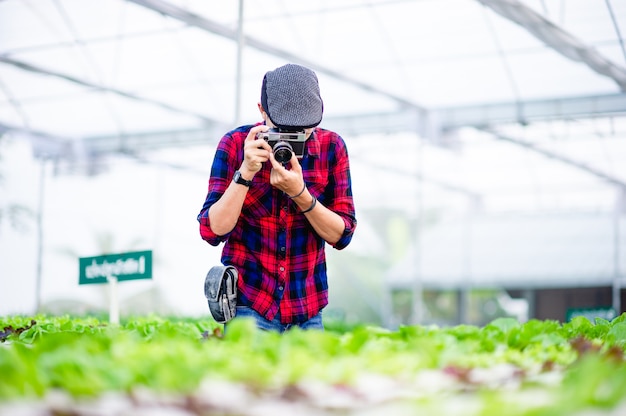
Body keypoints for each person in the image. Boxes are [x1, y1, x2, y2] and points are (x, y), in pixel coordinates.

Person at [197, 63, 357, 333]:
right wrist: (245, 172)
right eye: (282, 130)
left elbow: (343, 234)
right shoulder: (236, 144)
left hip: (307, 307)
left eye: (303, 131)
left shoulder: (332, 147)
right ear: (262, 111)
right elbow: (212, 231)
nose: (294, 139)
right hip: (250, 304)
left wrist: (300, 194)